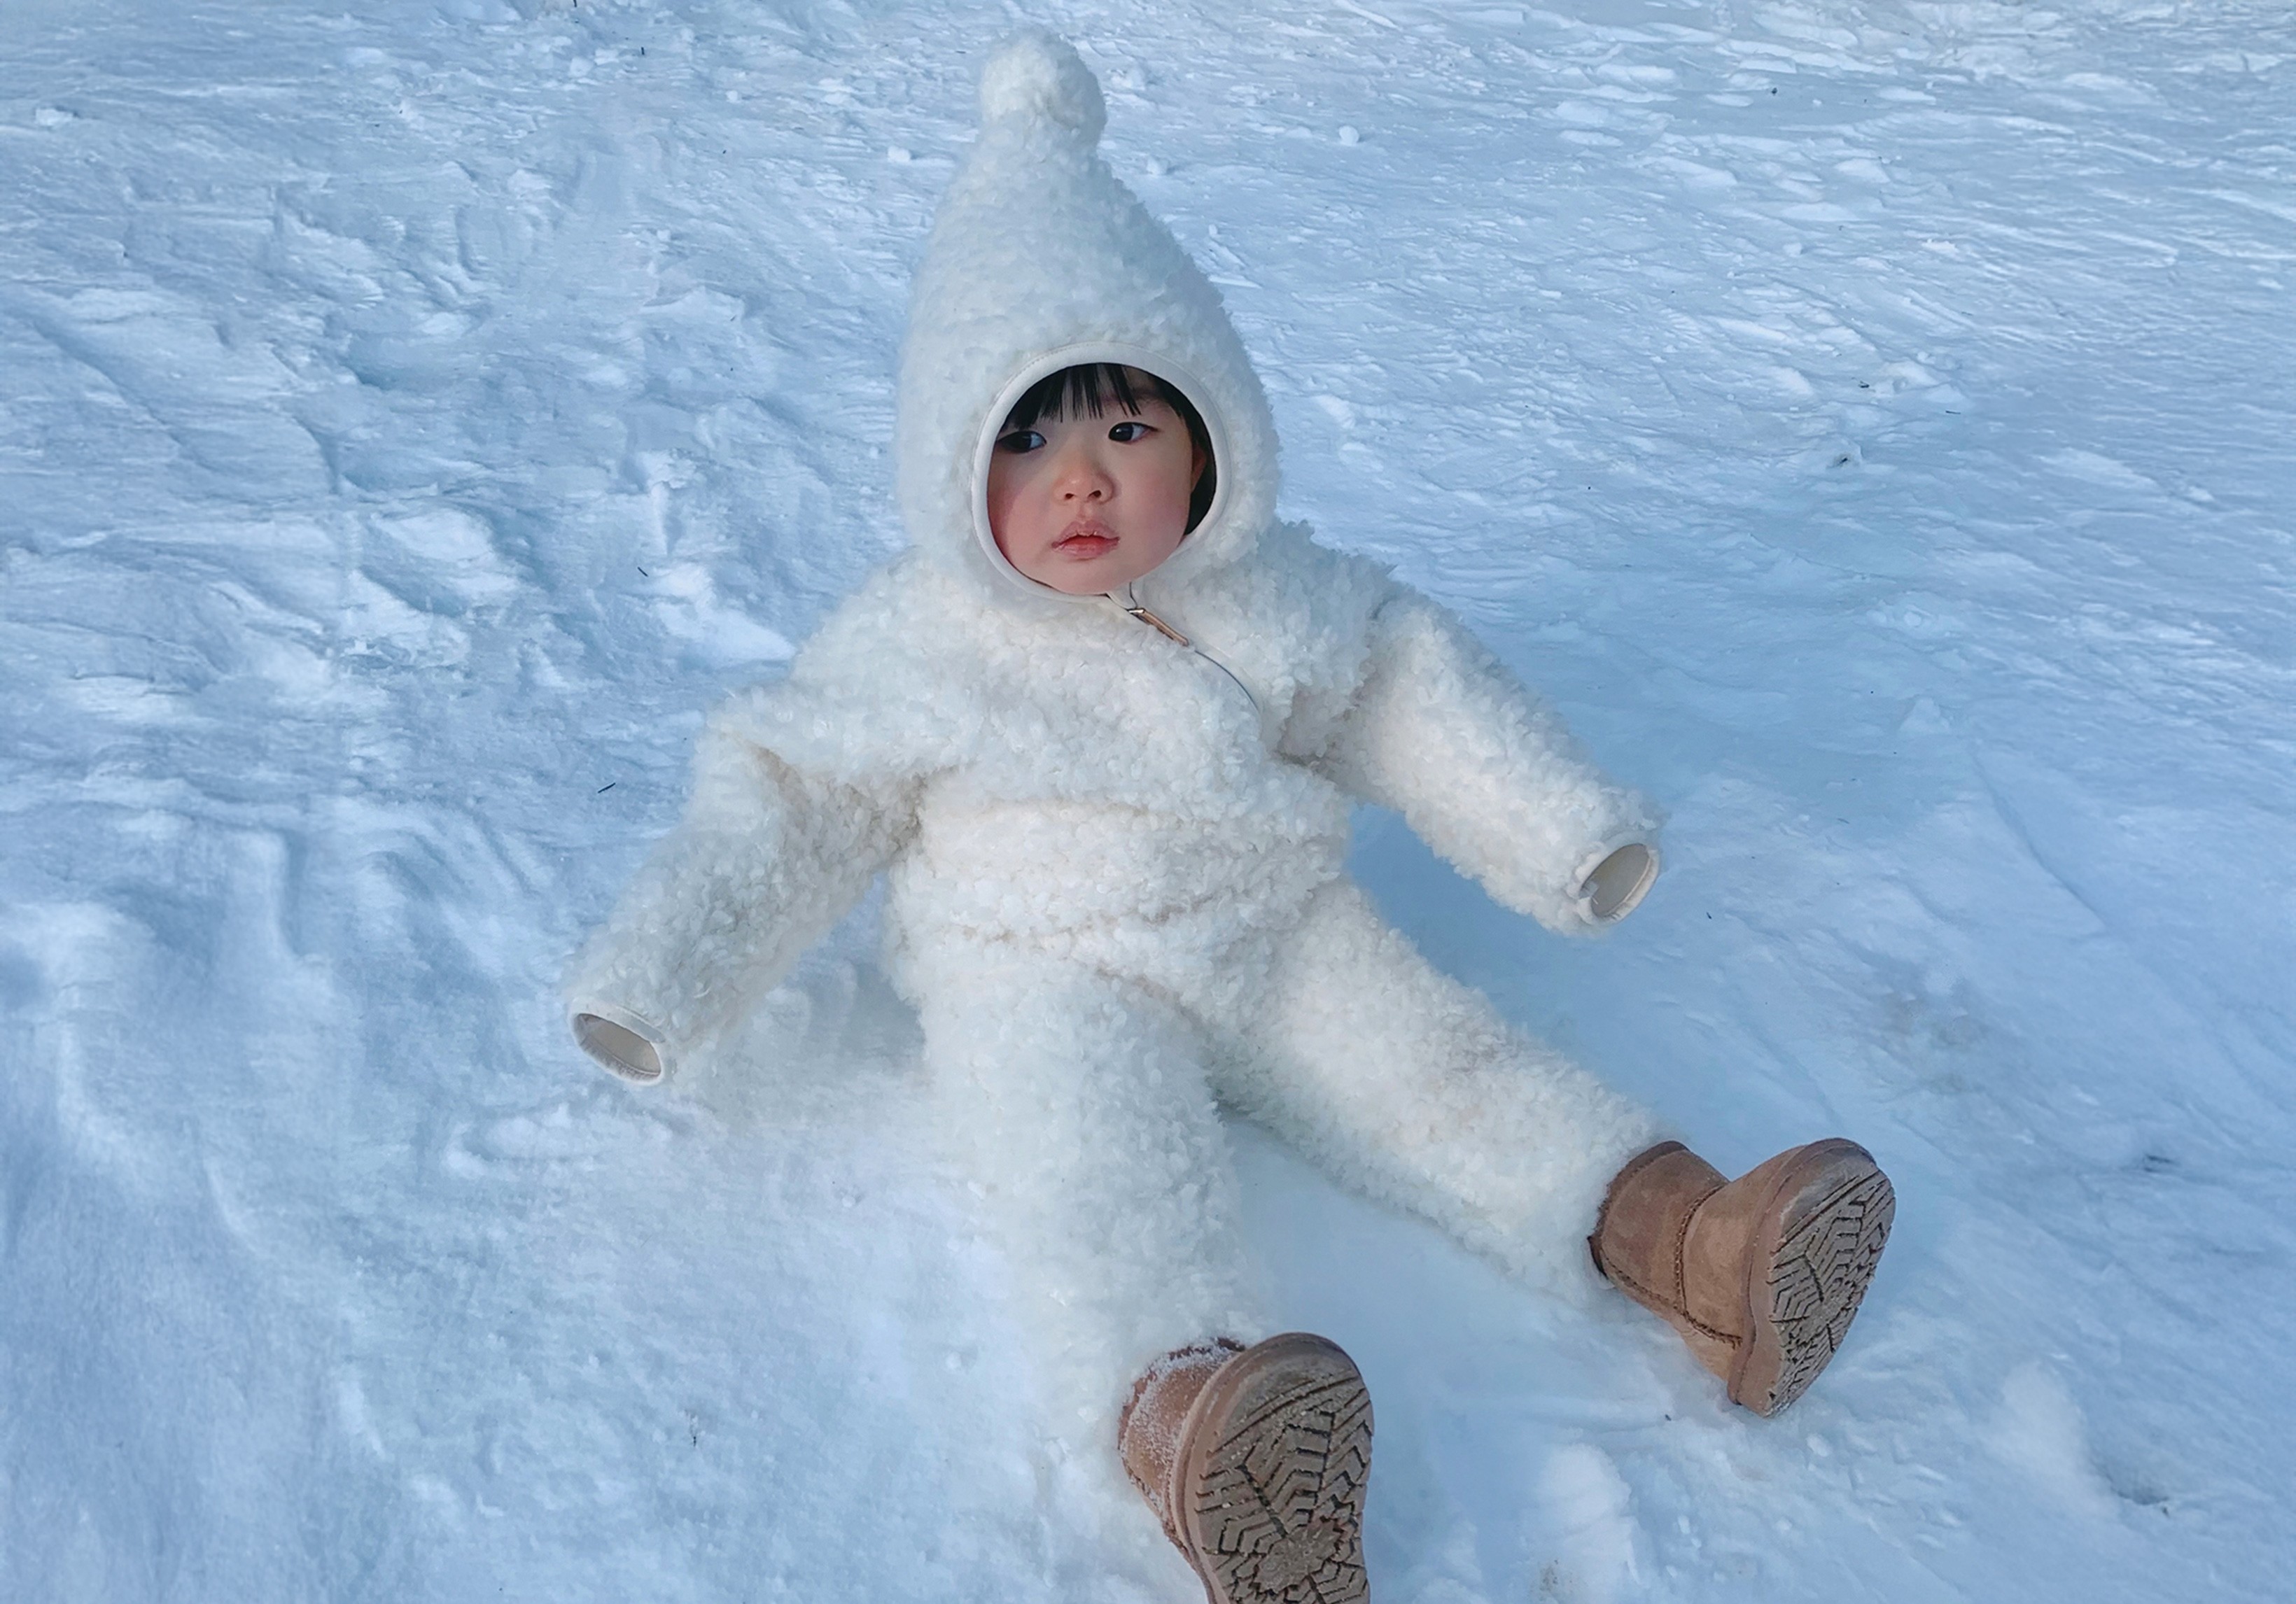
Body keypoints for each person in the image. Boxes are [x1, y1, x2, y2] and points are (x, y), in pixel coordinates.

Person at [564, 31, 1893, 1604]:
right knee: (1096, 1179)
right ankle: (1201, 1423)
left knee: (1443, 1070)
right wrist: (663, 976)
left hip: (1271, 927)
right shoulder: (918, 640)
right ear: (946, 461)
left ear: (1211, 438)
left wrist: (1558, 827)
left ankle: (1694, 1243)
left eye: (1126, 430)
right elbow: (788, 793)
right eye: (1026, 437)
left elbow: (1402, 685)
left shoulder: (1271, 592)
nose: (1080, 482)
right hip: (1041, 972)